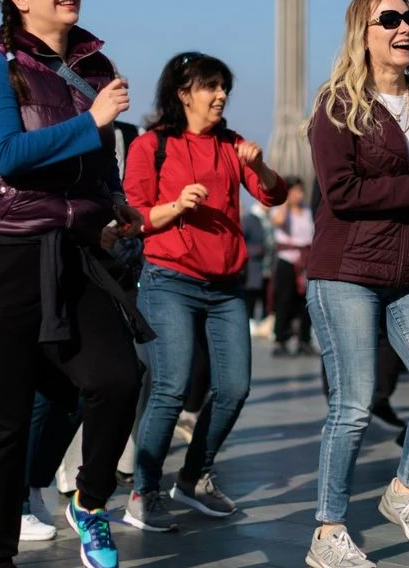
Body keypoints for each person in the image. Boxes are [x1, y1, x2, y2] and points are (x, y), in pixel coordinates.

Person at [0, 0, 149, 568]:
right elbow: (5, 153)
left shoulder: (95, 67)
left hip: (73, 254)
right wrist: (94, 119)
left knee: (117, 379)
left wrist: (114, 203)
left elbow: (97, 163)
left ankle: (90, 500)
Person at [304, 0, 409, 568]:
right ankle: (327, 533)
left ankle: (405, 490)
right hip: (347, 268)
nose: (405, 28)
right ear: (363, 33)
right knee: (353, 405)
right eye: (390, 19)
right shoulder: (335, 106)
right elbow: (342, 195)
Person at [124, 51, 286, 531]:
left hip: (225, 287)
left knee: (234, 388)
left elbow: (272, 195)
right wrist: (175, 206)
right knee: (171, 388)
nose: (220, 96)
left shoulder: (232, 145)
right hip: (168, 279)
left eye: (224, 88)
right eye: (210, 86)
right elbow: (133, 217)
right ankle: (144, 491)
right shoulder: (150, 145)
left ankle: (193, 478)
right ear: (182, 92)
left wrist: (263, 166)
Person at [270, 176, 316, 357]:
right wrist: (285, 202)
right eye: (295, 191)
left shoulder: (306, 210)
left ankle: (304, 339)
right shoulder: (280, 209)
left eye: (300, 190)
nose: (299, 194)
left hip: (305, 260)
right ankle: (280, 338)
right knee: (284, 300)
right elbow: (279, 222)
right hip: (287, 260)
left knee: (306, 302)